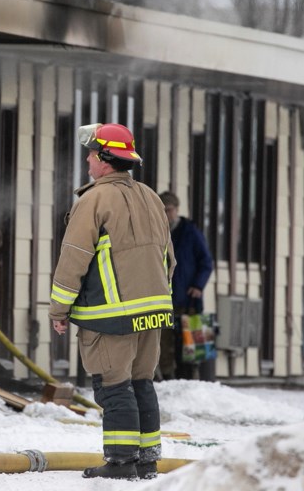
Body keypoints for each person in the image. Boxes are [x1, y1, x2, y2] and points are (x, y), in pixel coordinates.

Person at [48, 123, 175, 480]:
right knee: (141, 382)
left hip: (111, 316)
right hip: (153, 310)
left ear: (105, 159)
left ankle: (120, 463)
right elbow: (170, 257)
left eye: (91, 154)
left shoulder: (93, 200)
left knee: (114, 385)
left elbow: (73, 258)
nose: (87, 160)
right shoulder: (151, 197)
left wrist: (59, 310)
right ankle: (147, 459)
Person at [156, 191, 214, 381]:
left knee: (189, 341)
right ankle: (168, 377)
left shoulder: (190, 231)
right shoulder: (156, 231)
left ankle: (190, 378)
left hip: (187, 297)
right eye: (162, 210)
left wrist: (198, 285)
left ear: (176, 210)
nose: (166, 214)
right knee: (164, 341)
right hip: (163, 296)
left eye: (169, 210)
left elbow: (206, 262)